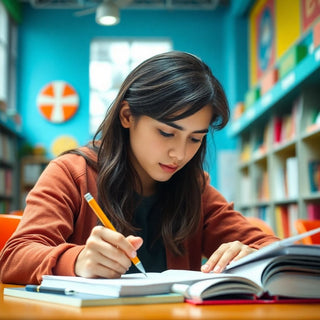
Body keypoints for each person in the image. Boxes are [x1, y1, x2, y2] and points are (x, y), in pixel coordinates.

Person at [0, 51, 279, 284]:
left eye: (196, 138)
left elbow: (273, 249)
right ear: (127, 116)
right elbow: (14, 257)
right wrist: (78, 261)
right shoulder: (71, 173)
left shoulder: (195, 187)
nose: (179, 153)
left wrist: (248, 254)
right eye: (166, 133)